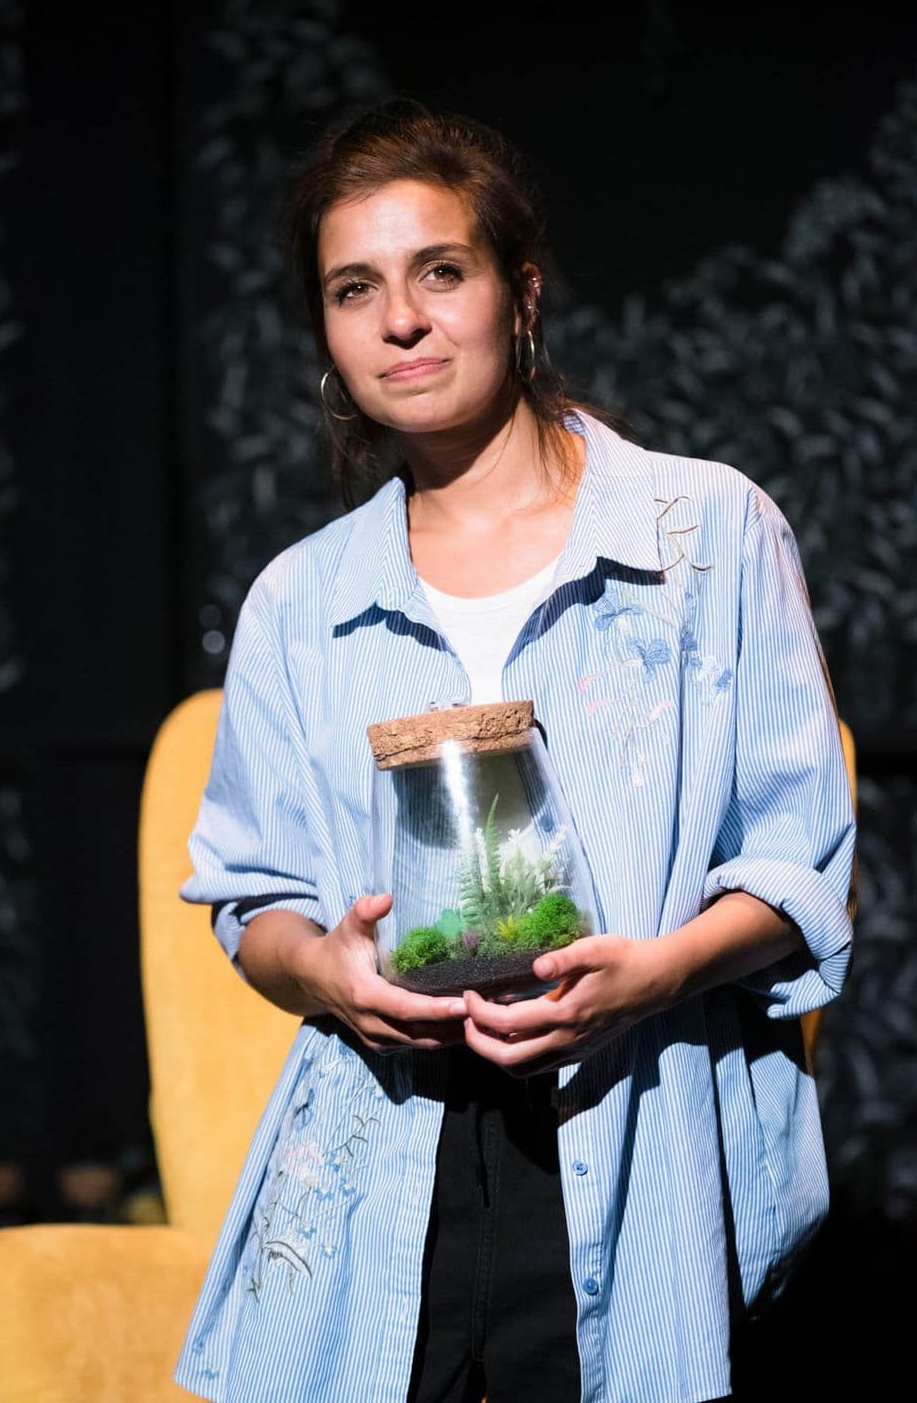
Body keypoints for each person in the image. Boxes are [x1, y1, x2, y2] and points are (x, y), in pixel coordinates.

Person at [172, 100, 856, 1403]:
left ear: (521, 292)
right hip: (385, 1159)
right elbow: (251, 901)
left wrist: (656, 973)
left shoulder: (703, 536)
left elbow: (802, 859)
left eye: (441, 271)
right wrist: (327, 970)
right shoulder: (302, 602)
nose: (401, 320)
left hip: (639, 1123)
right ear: (325, 332)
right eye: (354, 289)